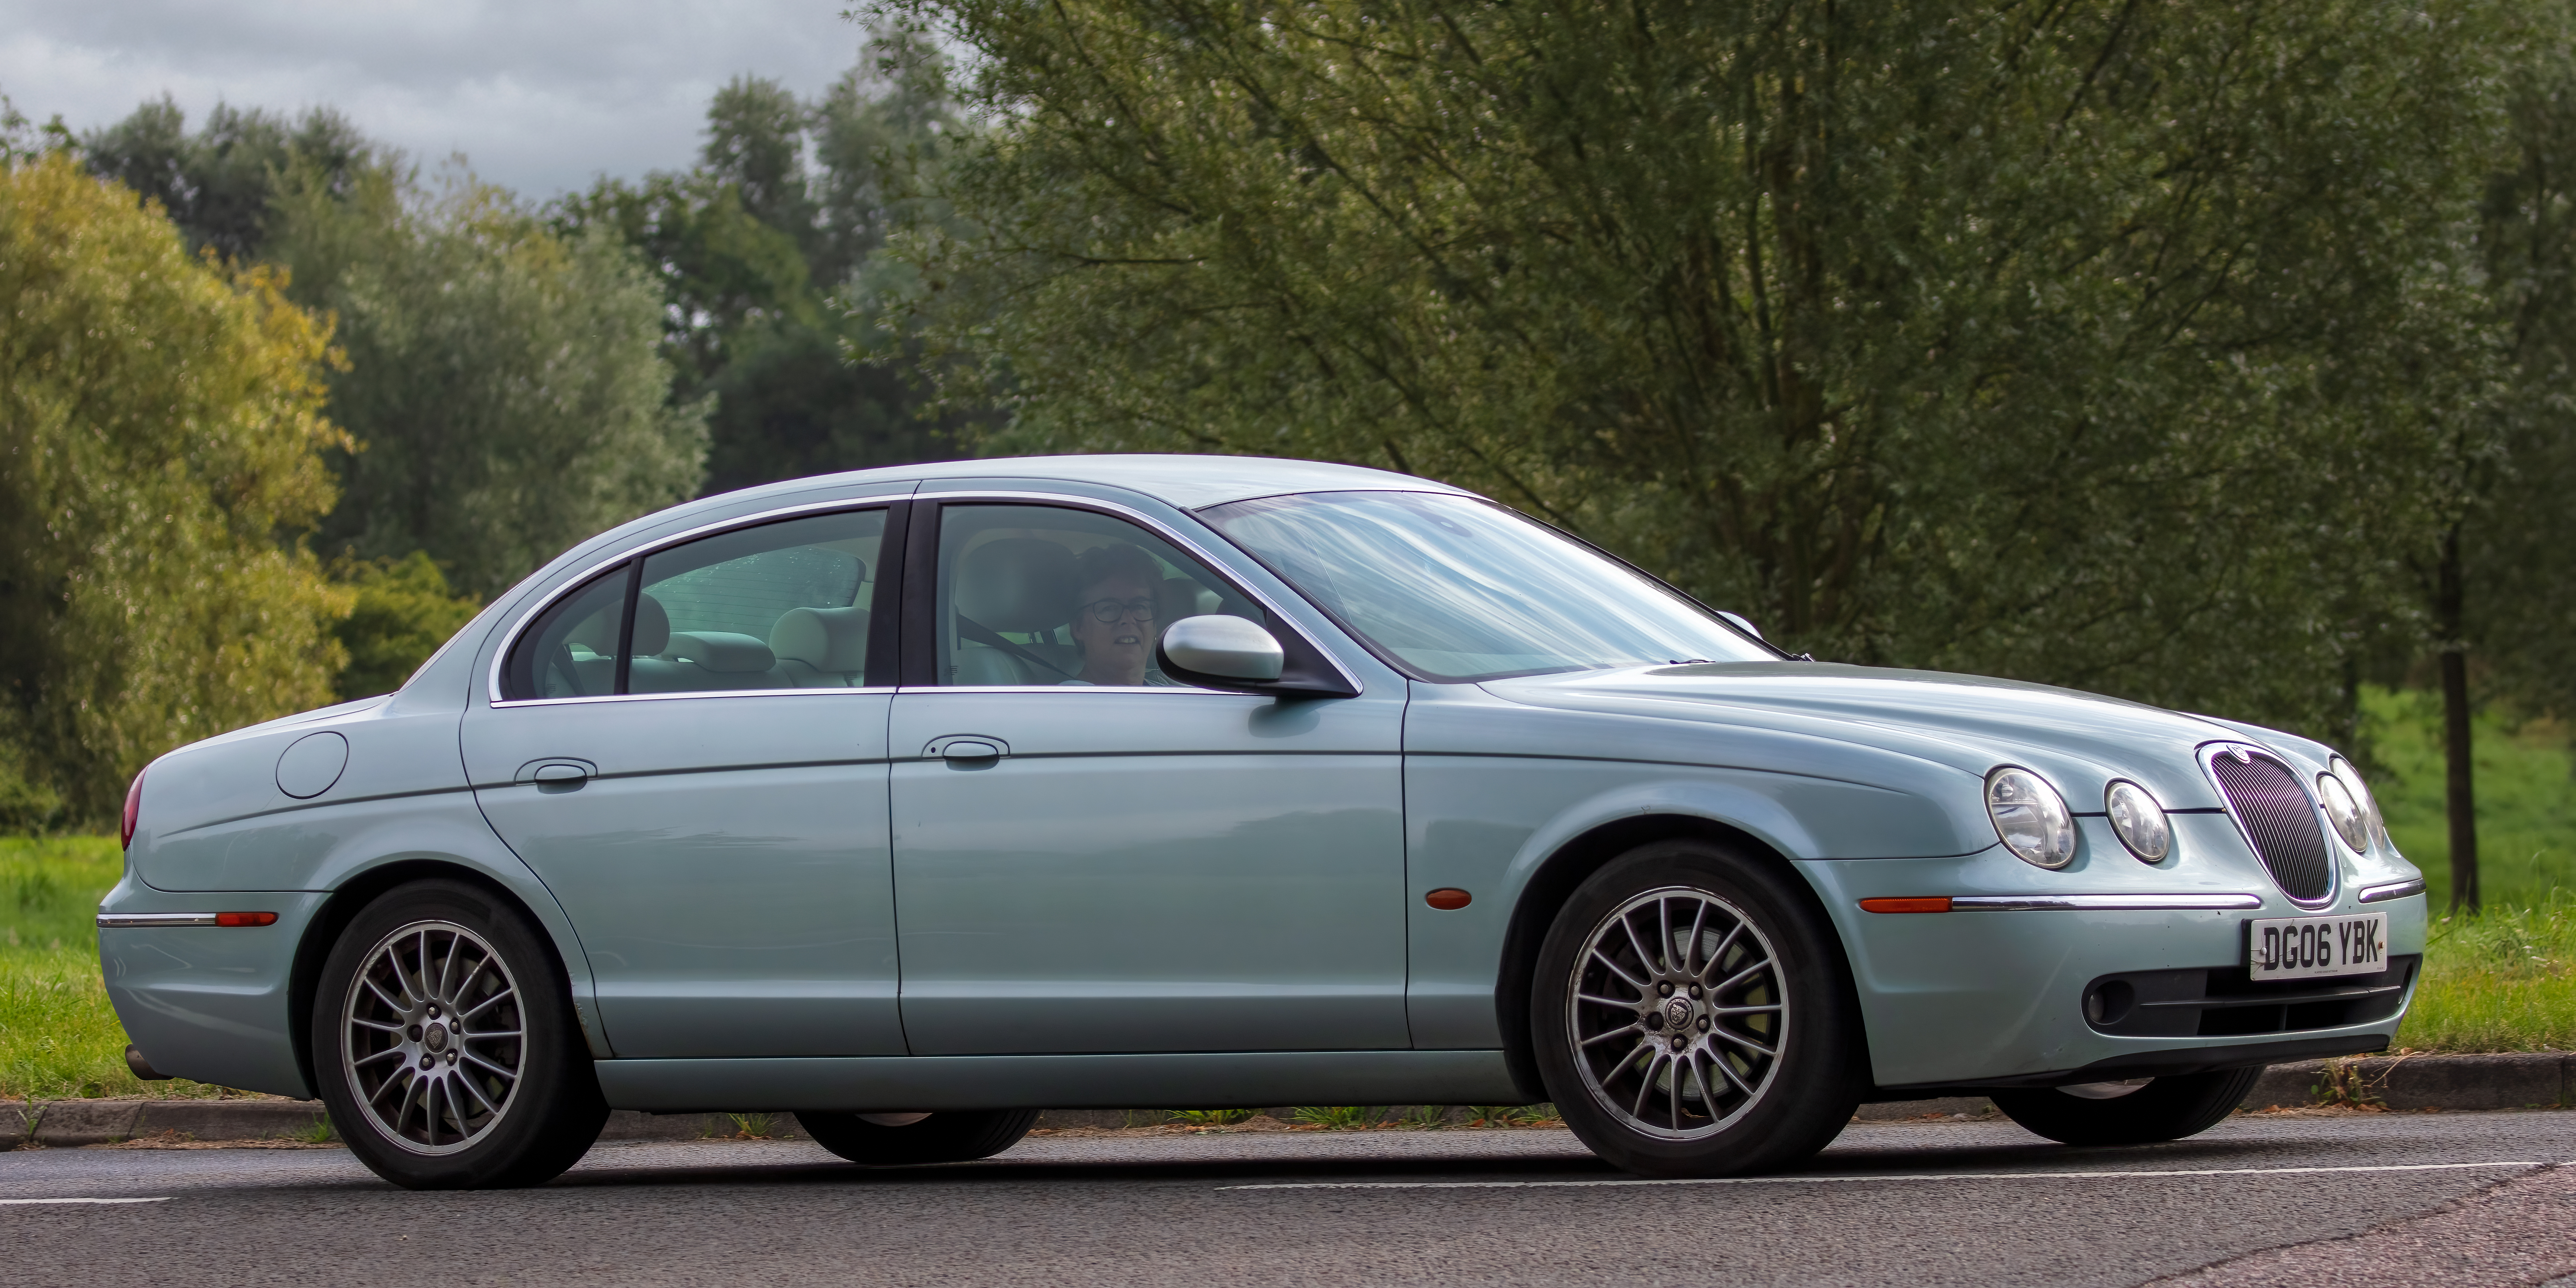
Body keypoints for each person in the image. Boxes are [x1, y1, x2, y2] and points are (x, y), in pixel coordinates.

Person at [1063, 543, 1178, 686]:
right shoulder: (1064, 704)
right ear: (1078, 627)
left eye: (1139, 606)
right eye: (1109, 608)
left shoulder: (1175, 697)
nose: (1128, 620)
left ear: (1154, 626)